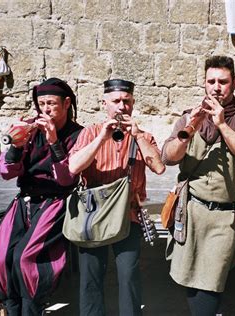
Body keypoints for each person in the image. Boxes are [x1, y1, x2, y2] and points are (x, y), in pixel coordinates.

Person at [162, 55, 235, 315]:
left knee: (209, 284)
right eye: (211, 81)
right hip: (191, 212)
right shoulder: (189, 117)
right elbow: (168, 157)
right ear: (204, 83)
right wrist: (189, 131)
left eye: (223, 81)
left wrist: (221, 124)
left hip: (223, 217)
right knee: (190, 282)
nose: (216, 87)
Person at [0, 78, 83, 315]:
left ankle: (32, 308)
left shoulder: (78, 134)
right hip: (25, 201)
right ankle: (10, 307)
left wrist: (53, 141)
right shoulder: (29, 130)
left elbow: (66, 179)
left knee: (25, 257)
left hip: (57, 203)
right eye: (41, 104)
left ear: (67, 103)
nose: (45, 109)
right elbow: (7, 173)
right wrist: (16, 146)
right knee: (1, 258)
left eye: (51, 103)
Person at [68, 79, 165, 316]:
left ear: (133, 103)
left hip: (128, 215)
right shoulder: (90, 133)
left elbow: (159, 167)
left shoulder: (143, 135)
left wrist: (138, 135)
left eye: (127, 101)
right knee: (91, 277)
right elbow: (73, 167)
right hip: (93, 214)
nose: (122, 107)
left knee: (129, 276)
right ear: (105, 104)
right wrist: (102, 137)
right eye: (116, 101)